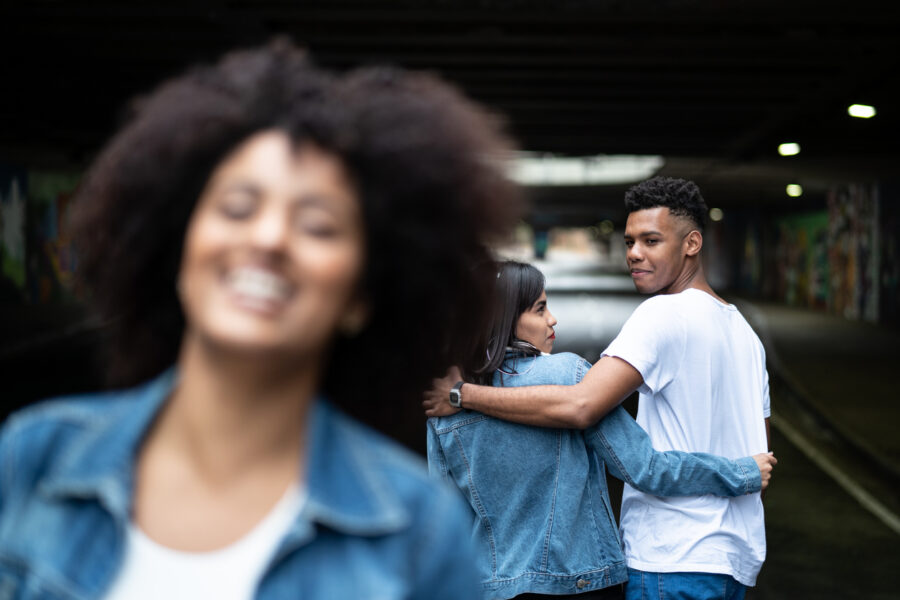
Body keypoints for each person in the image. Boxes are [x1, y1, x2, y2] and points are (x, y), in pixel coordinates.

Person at [0, 39, 521, 599]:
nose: (269, 239)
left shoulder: (420, 535)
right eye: (238, 207)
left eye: (318, 225)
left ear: (362, 295)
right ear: (178, 249)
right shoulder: (35, 455)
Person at [425, 177, 773, 600]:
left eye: (650, 241)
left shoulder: (661, 315)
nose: (634, 254)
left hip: (670, 555)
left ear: (692, 243)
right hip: (734, 557)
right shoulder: (746, 335)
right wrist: (742, 474)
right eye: (629, 241)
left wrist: (462, 395)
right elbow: (758, 453)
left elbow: (582, 404)